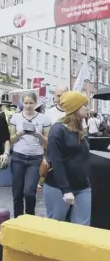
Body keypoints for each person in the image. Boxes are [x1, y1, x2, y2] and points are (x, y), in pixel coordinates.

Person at [43, 91, 91, 225]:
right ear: (75, 108)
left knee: (82, 226)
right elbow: (56, 162)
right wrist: (66, 190)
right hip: (58, 187)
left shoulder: (81, 129)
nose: (88, 108)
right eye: (84, 105)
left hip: (82, 185)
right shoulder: (58, 130)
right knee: (57, 225)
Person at [9, 92, 51, 218]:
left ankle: (30, 217)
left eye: (31, 103)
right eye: (25, 103)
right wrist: (19, 134)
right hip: (18, 156)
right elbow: (11, 140)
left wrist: (38, 135)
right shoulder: (16, 117)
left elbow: (48, 142)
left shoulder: (43, 118)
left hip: (35, 158)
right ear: (22, 103)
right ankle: (18, 218)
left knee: (29, 192)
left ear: (36, 103)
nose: (28, 106)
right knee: (17, 192)